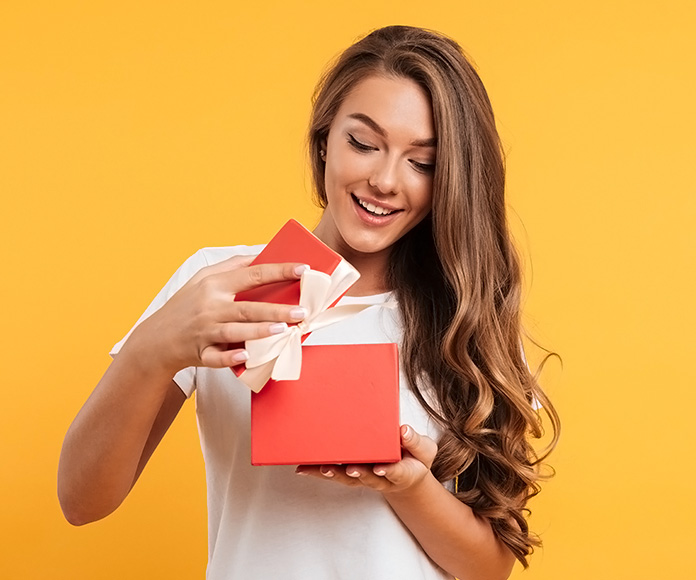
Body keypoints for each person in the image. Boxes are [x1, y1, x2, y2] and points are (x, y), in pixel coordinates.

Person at [58, 25, 559, 580]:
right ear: (324, 140)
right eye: (363, 143)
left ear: (453, 180)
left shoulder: (467, 318)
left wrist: (411, 484)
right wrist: (152, 350)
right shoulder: (220, 282)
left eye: (423, 162)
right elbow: (81, 501)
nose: (385, 179)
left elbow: (488, 569)